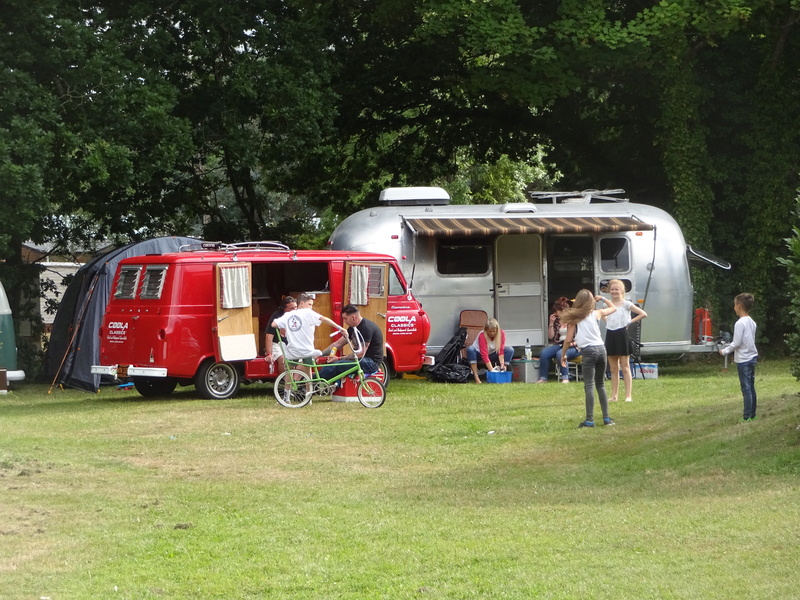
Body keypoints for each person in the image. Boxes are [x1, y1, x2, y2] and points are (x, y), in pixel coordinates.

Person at [560, 289, 617, 428]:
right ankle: (607, 418)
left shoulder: (575, 318)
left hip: (588, 351)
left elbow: (568, 340)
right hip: (601, 349)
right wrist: (603, 299)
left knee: (589, 385)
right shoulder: (596, 313)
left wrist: (563, 355)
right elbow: (614, 308)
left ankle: (590, 420)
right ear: (591, 301)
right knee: (600, 384)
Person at [272, 293, 345, 377]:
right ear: (302, 303)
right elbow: (324, 319)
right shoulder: (308, 313)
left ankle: (288, 389)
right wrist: (339, 327)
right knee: (308, 366)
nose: (311, 307)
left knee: (290, 369)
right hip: (306, 349)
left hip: (293, 349)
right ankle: (309, 387)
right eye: (309, 304)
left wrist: (283, 326)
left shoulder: (288, 315)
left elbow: (274, 324)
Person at [604, 279, 648, 402]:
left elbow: (643, 314)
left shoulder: (626, 304)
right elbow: (602, 314)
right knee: (613, 368)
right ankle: (614, 396)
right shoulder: (606, 304)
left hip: (622, 334)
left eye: (616, 289)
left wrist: (629, 322)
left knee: (625, 367)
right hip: (610, 334)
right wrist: (608, 322)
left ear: (622, 290)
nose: (614, 291)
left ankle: (628, 395)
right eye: (612, 289)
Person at [719, 293, 758, 421]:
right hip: (752, 357)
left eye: (735, 305)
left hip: (744, 359)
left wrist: (724, 351)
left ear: (739, 306)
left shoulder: (740, 323)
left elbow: (736, 343)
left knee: (746, 388)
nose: (734, 307)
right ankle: (752, 414)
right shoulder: (751, 322)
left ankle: (747, 417)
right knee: (751, 387)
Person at [319, 304, 384, 381]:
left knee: (336, 366)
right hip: (360, 359)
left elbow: (360, 353)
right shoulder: (352, 328)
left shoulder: (366, 328)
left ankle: (314, 383)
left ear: (353, 317)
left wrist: (338, 358)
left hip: (370, 362)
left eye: (345, 318)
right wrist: (319, 354)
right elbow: (338, 344)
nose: (344, 321)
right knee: (332, 364)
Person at [536, 297, 580, 383]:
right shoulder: (556, 321)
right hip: (560, 344)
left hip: (574, 346)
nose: (556, 314)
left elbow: (580, 337)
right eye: (555, 312)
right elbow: (551, 337)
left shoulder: (573, 321)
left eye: (558, 311)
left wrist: (571, 344)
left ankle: (565, 377)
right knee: (544, 353)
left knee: (560, 354)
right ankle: (543, 378)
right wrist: (551, 323)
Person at [466, 318, 514, 384]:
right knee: (470, 349)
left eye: (494, 331)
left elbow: (501, 351)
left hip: (492, 354)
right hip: (478, 354)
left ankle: (503, 371)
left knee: (509, 350)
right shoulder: (482, 335)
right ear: (486, 330)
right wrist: (492, 370)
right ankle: (476, 377)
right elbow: (484, 355)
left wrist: (502, 364)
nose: (492, 333)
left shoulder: (501, 334)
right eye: (489, 331)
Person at [264, 296, 297, 375]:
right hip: (277, 343)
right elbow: (269, 336)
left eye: (296, 307)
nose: (295, 310)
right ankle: (285, 382)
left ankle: (297, 382)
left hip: (291, 343)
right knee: (283, 359)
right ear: (284, 309)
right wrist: (269, 354)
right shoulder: (277, 316)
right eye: (292, 308)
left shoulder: (298, 315)